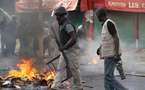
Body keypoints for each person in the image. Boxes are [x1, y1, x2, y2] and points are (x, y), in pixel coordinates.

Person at [50, 6, 83, 90]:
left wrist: (64, 47)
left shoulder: (68, 25)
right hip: (65, 50)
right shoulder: (62, 24)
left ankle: (78, 87)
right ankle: (55, 86)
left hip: (72, 51)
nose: (56, 18)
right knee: (60, 68)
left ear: (62, 16)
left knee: (74, 69)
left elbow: (73, 38)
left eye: (57, 16)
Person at [96, 8, 128, 90]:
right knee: (108, 76)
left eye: (97, 16)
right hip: (108, 55)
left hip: (112, 55)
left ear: (101, 16)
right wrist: (100, 48)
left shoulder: (109, 23)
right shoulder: (104, 24)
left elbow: (116, 38)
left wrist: (117, 54)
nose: (97, 18)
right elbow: (106, 39)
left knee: (108, 77)